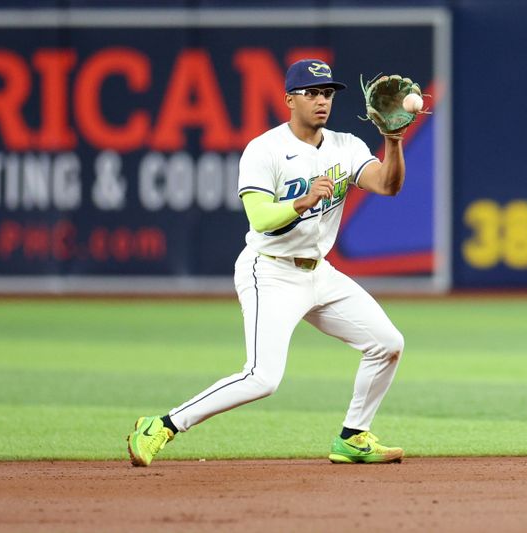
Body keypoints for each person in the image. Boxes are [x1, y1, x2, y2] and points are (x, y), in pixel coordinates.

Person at [127, 59, 410, 466]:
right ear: (289, 99)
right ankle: (163, 425)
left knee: (387, 344)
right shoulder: (265, 149)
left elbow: (387, 184)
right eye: (311, 93)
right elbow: (260, 218)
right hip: (270, 272)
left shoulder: (346, 146)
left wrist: (393, 140)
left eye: (327, 93)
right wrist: (301, 201)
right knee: (262, 377)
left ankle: (353, 437)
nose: (321, 101)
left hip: (321, 273)